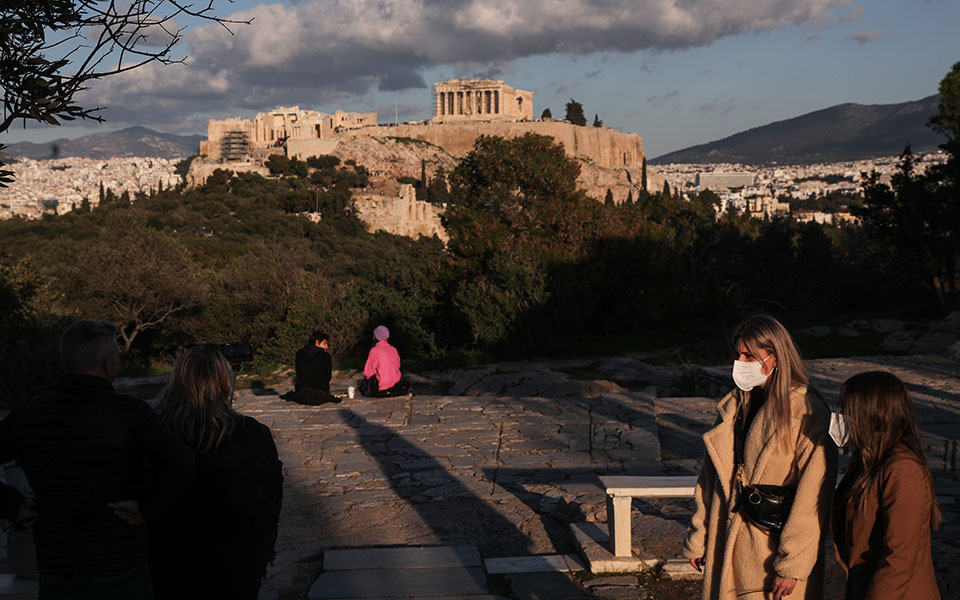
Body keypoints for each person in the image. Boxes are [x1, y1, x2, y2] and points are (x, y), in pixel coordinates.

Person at [0, 319, 195, 598]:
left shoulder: (28, 413)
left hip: (57, 565)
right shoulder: (131, 414)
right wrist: (146, 509)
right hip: (120, 562)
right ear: (107, 363)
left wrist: (11, 504)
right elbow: (183, 464)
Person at [683, 314, 837, 600]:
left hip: (768, 552)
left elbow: (814, 495)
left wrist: (792, 565)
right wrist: (699, 537)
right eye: (738, 354)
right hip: (725, 541)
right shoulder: (734, 407)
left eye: (750, 355)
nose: (741, 362)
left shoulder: (807, 413)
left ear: (775, 357)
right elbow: (709, 480)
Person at [151, 345, 283, 599]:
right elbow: (268, 502)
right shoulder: (252, 435)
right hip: (235, 566)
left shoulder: (157, 432)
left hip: (171, 563)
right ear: (224, 382)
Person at [831, 371, 941, 600]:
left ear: (872, 414)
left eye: (847, 408)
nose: (839, 415)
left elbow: (899, 557)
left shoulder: (903, 470)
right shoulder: (868, 461)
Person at [358, 325, 410, 397]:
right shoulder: (393, 349)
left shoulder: (374, 351)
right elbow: (397, 366)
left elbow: (368, 373)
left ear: (375, 337)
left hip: (380, 387)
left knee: (363, 384)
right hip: (395, 384)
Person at [291, 330, 336, 405]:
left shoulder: (299, 354)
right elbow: (328, 377)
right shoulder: (325, 356)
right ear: (317, 343)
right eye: (325, 343)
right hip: (320, 394)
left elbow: (299, 373)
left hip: (302, 395)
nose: (327, 346)